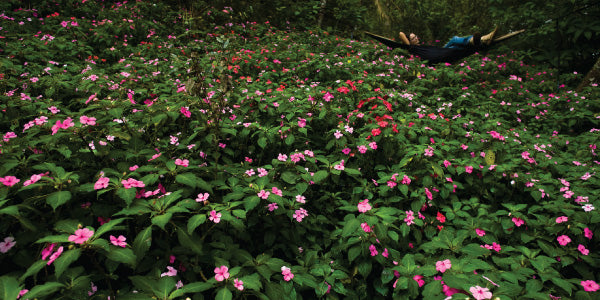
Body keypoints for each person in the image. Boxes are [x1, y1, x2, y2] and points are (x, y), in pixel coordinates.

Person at [398, 27, 498, 49]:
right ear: (408, 41)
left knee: (457, 48)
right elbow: (401, 33)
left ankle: (480, 41)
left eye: (416, 36)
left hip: (440, 52)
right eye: (413, 38)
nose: (416, 38)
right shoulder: (411, 48)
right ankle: (482, 39)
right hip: (440, 53)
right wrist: (408, 44)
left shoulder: (419, 47)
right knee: (454, 40)